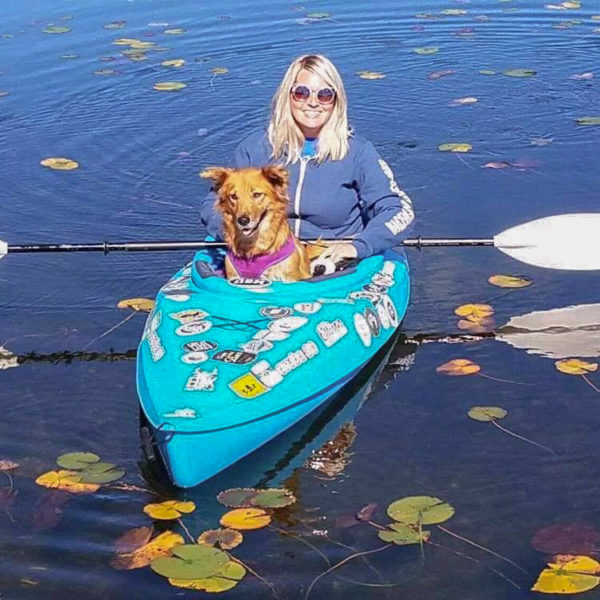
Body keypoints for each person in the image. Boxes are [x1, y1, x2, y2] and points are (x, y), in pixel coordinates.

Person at [200, 54, 414, 267]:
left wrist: (356, 246)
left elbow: (398, 210)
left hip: (333, 261)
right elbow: (213, 205)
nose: (313, 103)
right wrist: (232, 232)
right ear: (288, 96)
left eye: (324, 95)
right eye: (301, 93)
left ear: (336, 102)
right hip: (260, 256)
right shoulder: (254, 148)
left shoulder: (359, 152)